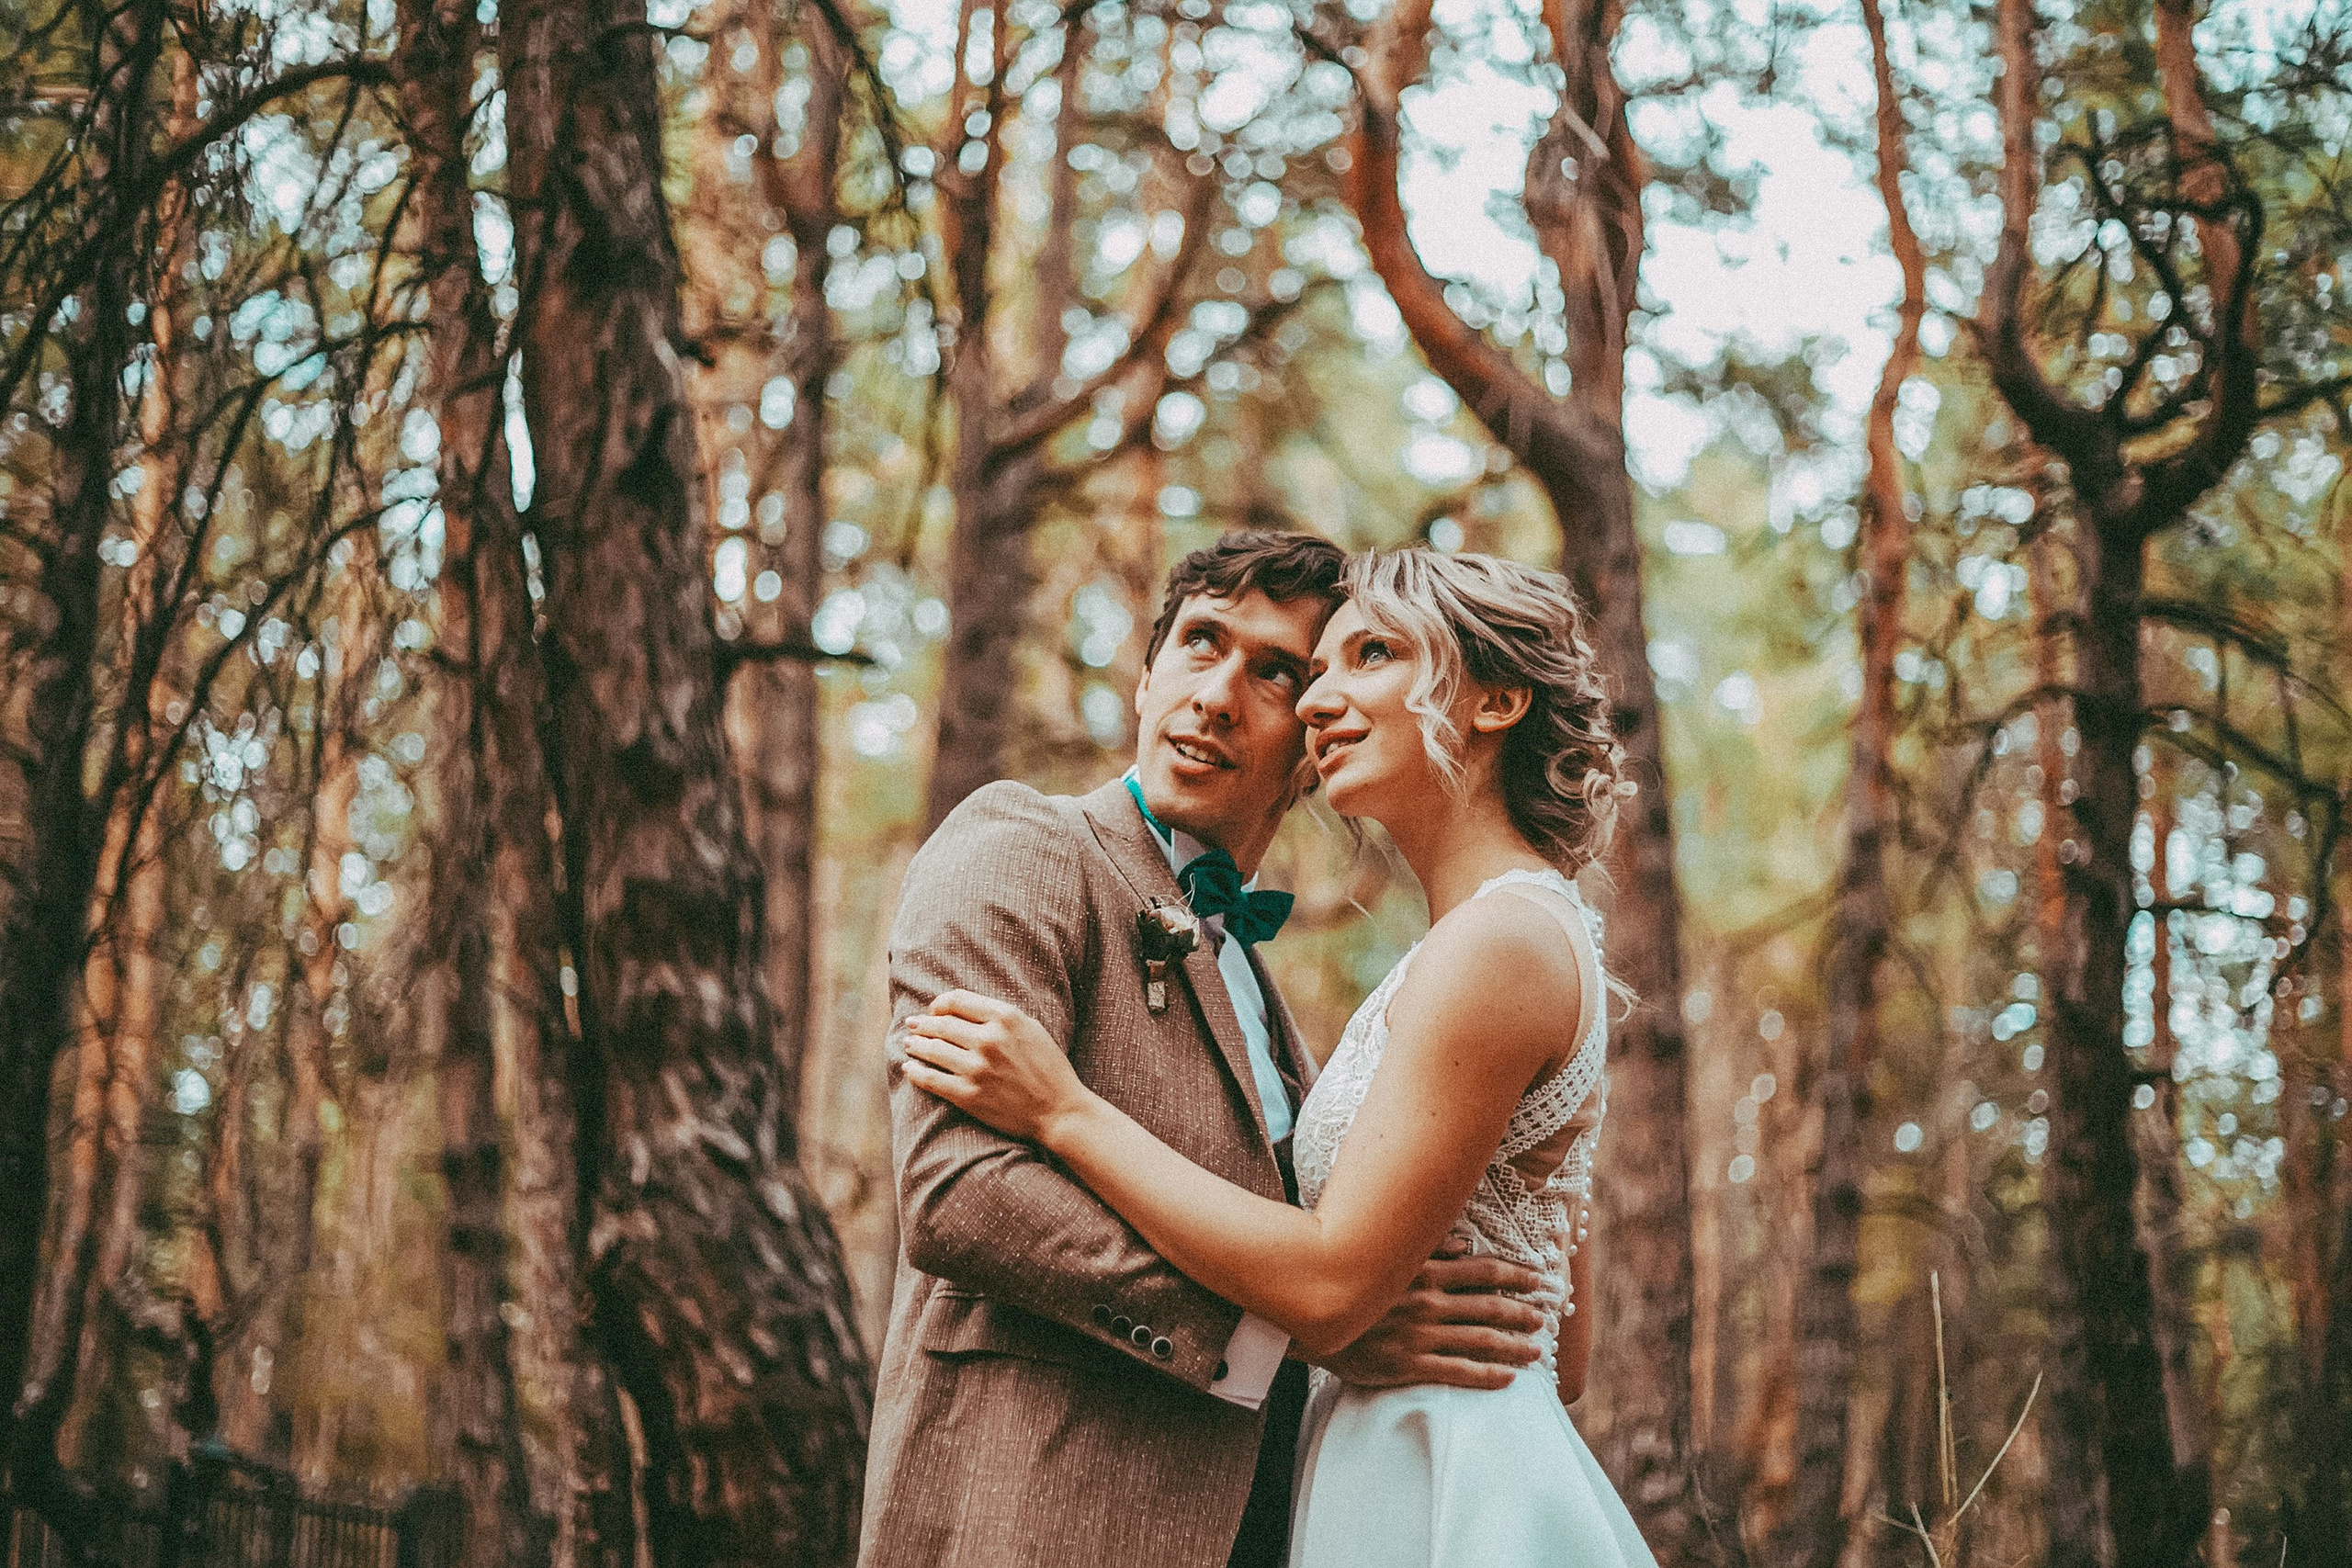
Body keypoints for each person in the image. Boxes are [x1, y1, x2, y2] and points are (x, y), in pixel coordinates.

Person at [902, 547, 1658, 1568]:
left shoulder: (1377, 970)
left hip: (1363, 1495)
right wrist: (1293, 1336)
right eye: (1199, 643)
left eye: (1281, 674)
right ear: (1146, 675)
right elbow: (961, 1194)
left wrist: (1333, 1320)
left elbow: (1524, 1323)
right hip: (1046, 1519)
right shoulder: (1021, 846)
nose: (1221, 698)